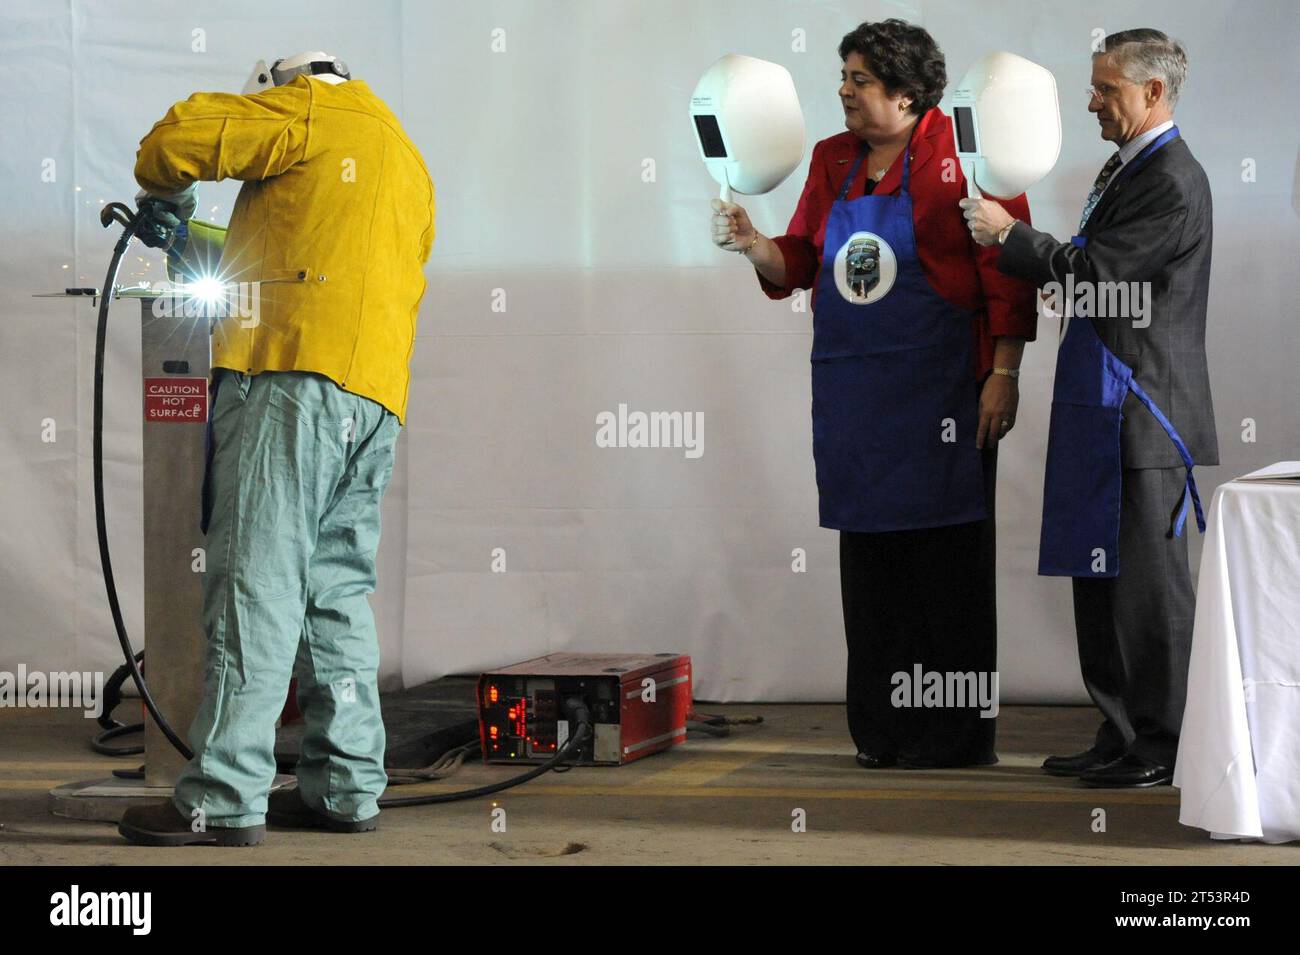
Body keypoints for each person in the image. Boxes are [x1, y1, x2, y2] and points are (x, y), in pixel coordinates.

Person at [118, 51, 436, 845]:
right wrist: (194, 235)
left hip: (289, 382)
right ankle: (346, 788)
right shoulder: (403, 156)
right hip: (371, 403)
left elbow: (177, 137)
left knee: (252, 588)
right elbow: (303, 258)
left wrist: (169, 192)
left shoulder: (305, 112)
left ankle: (220, 797)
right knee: (333, 594)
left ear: (285, 84)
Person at [713, 20, 1037, 768]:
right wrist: (751, 241)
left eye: (859, 79)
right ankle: (884, 734)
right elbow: (799, 260)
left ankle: (955, 739)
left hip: (948, 398)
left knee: (950, 572)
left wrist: (1005, 374)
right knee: (874, 576)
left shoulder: (971, 150)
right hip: (859, 404)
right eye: (845, 78)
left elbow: (1007, 278)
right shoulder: (831, 159)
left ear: (906, 91)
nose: (844, 92)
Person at [962, 29, 1217, 788]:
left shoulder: (1173, 178)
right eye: (1094, 85)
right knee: (1097, 573)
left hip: (1145, 409)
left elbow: (1101, 275)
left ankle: (1164, 743)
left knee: (1147, 589)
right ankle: (1120, 728)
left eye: (1106, 88)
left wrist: (1012, 237)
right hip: (1099, 400)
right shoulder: (1125, 165)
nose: (1092, 100)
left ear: (1154, 94)